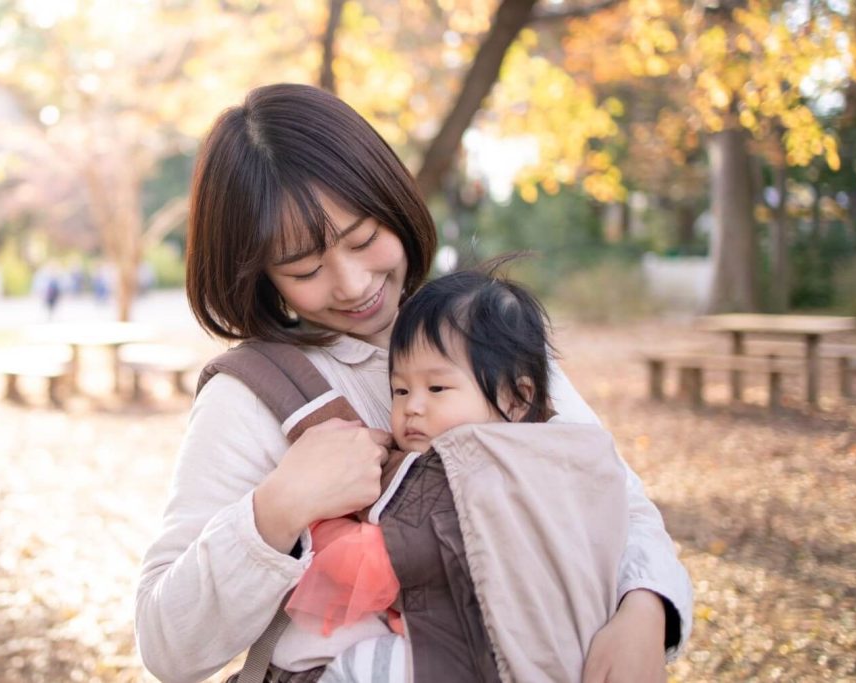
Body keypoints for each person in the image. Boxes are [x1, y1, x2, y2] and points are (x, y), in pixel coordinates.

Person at [135, 83, 692, 683]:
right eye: (305, 269)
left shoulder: (479, 330)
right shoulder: (250, 394)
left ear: (393, 203)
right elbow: (166, 644)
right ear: (263, 275)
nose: (350, 284)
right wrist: (277, 508)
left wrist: (645, 609)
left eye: (364, 239)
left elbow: (612, 495)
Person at [290, 262, 628, 683]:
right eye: (400, 390)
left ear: (517, 398)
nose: (413, 406)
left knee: (360, 666)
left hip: (471, 659)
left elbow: (370, 563)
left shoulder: (460, 474)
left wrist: (318, 520)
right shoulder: (565, 455)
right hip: (555, 653)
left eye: (437, 389)